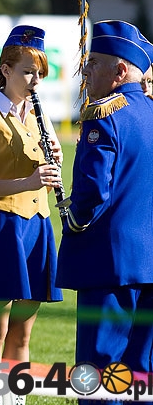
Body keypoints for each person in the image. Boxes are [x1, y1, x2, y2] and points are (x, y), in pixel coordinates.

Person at [0, 25, 64, 405]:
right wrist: (30, 179)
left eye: (39, 73)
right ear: (5, 70)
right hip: (3, 226)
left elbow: (45, 168)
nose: (35, 80)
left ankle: (15, 399)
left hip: (36, 226)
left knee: (23, 332)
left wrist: (55, 165)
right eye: (27, 71)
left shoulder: (38, 114)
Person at [56, 20, 153, 405]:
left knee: (98, 374)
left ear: (120, 72)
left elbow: (93, 193)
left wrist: (73, 218)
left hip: (109, 263)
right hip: (148, 263)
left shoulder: (105, 116)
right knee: (140, 376)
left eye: (94, 63)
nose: (86, 70)